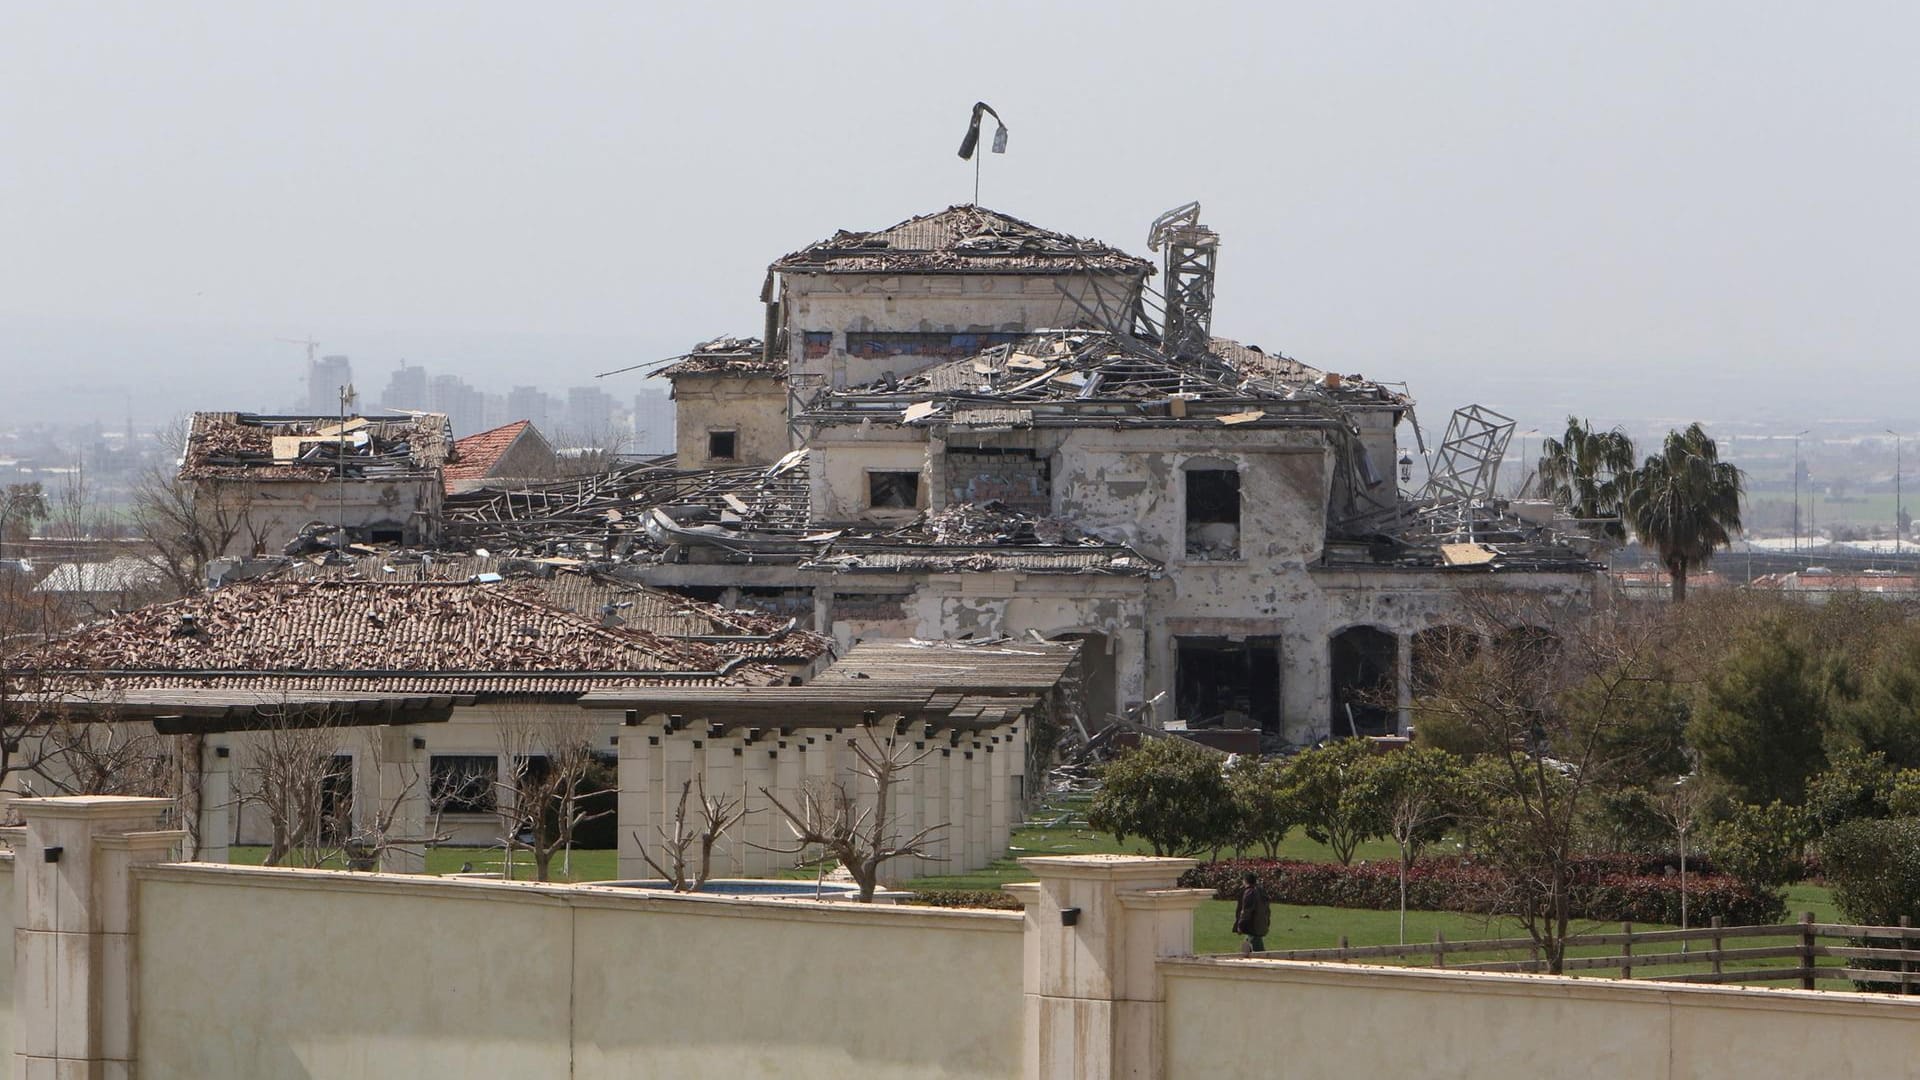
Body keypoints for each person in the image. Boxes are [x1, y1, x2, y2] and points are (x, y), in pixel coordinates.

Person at [1232, 870, 1271, 955]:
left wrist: (1240, 925)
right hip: (1261, 922)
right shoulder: (1261, 891)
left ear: (1245, 880)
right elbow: (1267, 909)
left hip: (1253, 925)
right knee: (1250, 942)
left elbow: (1246, 911)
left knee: (1257, 948)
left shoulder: (1249, 892)